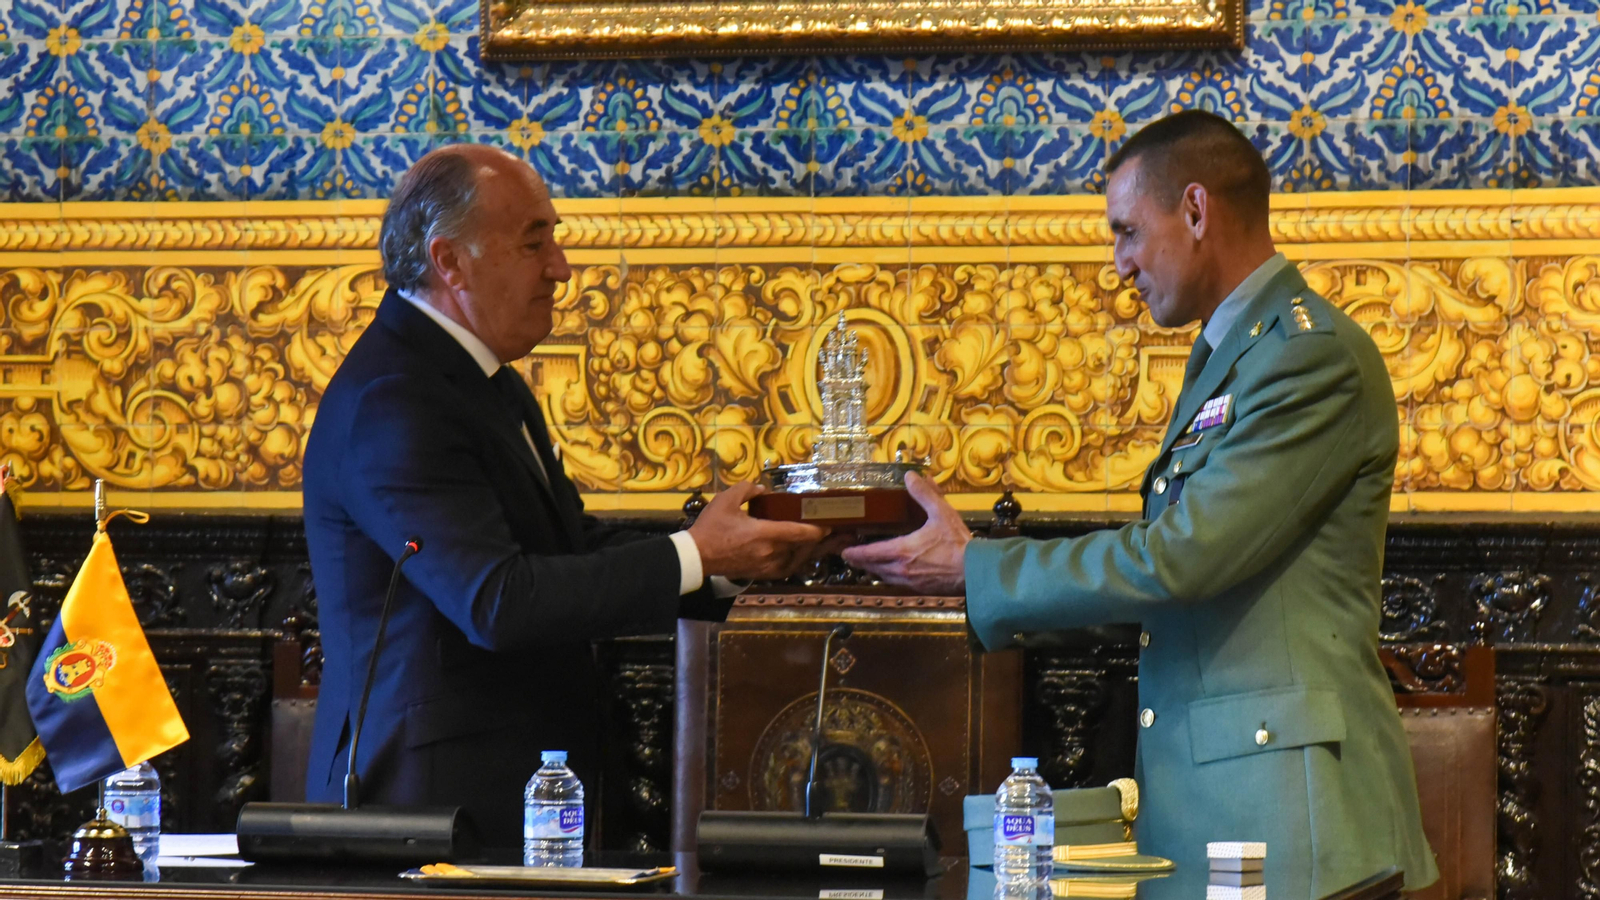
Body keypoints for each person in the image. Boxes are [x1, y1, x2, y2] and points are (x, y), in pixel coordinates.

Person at [843, 111, 1438, 897]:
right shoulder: (1237, 354)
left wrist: (979, 566)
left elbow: (1181, 558)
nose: (1118, 264)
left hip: (1288, 821)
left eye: (1127, 231)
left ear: (1195, 211)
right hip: (1216, 809)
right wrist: (975, 583)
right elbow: (1174, 587)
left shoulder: (1306, 358)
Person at [302, 145, 826, 849]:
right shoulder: (395, 400)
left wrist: (735, 562)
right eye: (533, 243)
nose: (561, 269)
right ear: (449, 261)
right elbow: (497, 601)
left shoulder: (484, 380)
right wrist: (696, 554)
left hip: (512, 796)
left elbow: (566, 551)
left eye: (554, 239)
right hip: (430, 815)